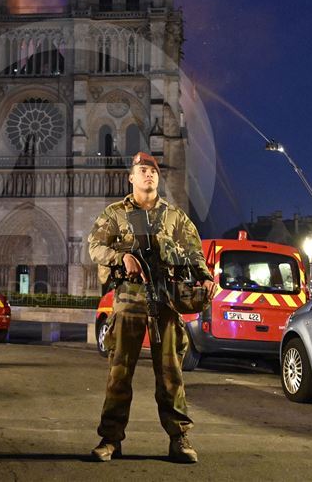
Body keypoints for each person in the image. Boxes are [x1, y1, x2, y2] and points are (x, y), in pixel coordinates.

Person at [88, 152, 219, 464]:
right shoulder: (115, 214)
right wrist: (123, 258)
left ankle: (179, 439)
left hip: (166, 301)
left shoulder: (175, 217)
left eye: (153, 171)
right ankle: (110, 440)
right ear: (131, 177)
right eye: (142, 170)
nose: (149, 175)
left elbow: (193, 254)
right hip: (129, 302)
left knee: (171, 374)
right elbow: (95, 247)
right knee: (119, 374)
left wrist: (205, 280)